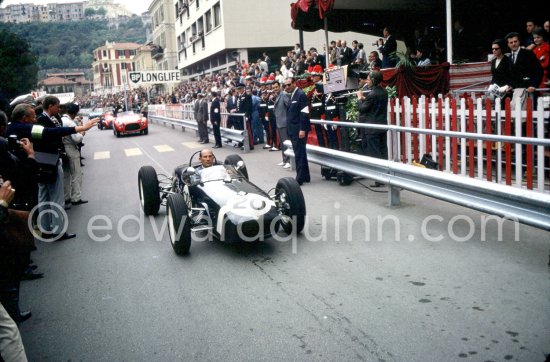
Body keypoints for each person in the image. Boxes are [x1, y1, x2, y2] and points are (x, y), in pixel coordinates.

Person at [357, 70, 388, 187]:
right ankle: (385, 176)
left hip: (372, 129)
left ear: (374, 80)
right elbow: (375, 105)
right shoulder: (383, 92)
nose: (367, 81)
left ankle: (378, 179)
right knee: (383, 152)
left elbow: (362, 109)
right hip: (381, 126)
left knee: (375, 154)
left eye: (369, 79)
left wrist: (360, 98)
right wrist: (366, 99)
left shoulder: (373, 94)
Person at [284, 77, 311, 185]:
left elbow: (304, 113)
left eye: (288, 84)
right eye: (285, 85)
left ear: (294, 83)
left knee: (299, 154)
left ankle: (299, 178)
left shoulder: (300, 94)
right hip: (293, 129)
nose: (287, 87)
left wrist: (302, 129)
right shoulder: (293, 94)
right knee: (300, 153)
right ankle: (305, 176)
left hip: (299, 129)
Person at [61, 103, 87, 206]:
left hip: (63, 149)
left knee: (66, 175)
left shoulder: (61, 120)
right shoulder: (70, 123)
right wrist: (82, 133)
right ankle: (76, 197)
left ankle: (66, 196)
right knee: (76, 174)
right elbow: (77, 139)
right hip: (71, 148)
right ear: (75, 113)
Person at [272, 81, 290, 168]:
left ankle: (289, 161)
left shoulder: (284, 94)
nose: (275, 89)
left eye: (276, 87)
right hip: (279, 122)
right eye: (273, 88)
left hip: (284, 122)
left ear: (280, 86)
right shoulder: (277, 96)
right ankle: (284, 160)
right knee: (282, 143)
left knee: (286, 143)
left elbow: (289, 107)